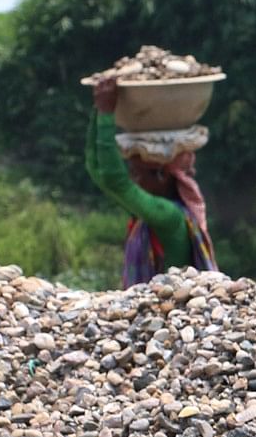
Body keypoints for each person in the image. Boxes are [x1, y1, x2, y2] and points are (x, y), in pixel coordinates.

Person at [86, 76, 217, 286]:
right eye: (133, 172)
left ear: (164, 175)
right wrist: (99, 109)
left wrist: (106, 113)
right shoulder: (144, 216)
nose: (133, 180)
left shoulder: (169, 216)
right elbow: (97, 170)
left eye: (139, 174)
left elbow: (115, 180)